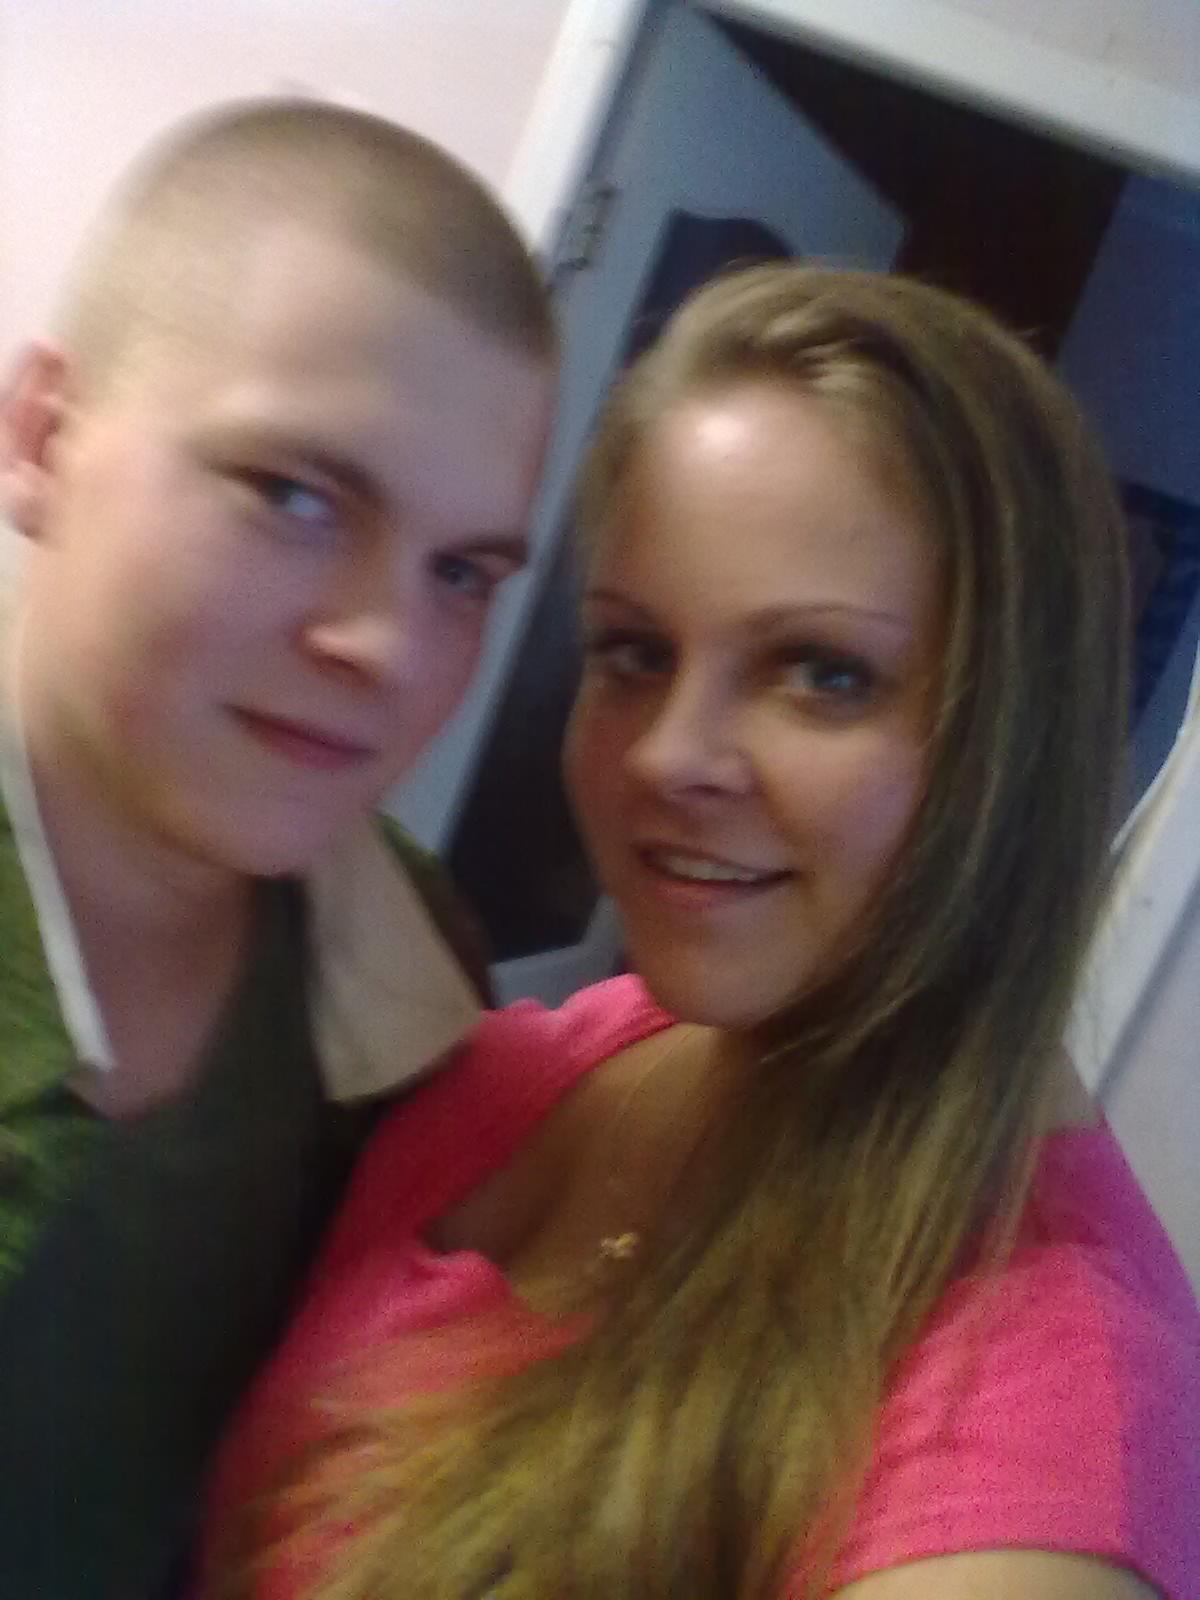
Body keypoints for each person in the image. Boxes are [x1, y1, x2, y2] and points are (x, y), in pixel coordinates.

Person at [200, 267, 1200, 1600]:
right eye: (633, 651)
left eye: (824, 673)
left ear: (1013, 746)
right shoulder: (544, 1062)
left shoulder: (1040, 1403)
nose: (668, 756)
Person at [0, 98, 554, 1599]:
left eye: (462, 573)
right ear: (44, 437)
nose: (390, 646)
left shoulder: (410, 982)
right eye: (295, 496)